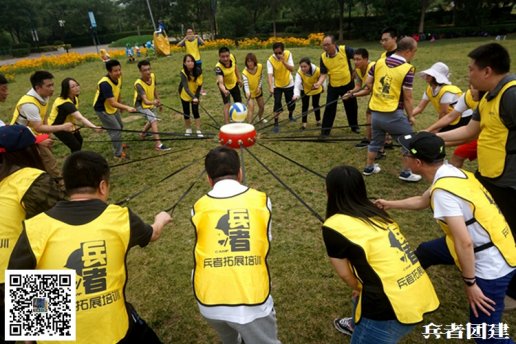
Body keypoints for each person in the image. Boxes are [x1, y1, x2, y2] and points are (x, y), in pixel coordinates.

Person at [8, 150, 171, 343]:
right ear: (103, 186)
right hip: (115, 333)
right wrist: (160, 219)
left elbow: (20, 280)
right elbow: (152, 234)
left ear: (66, 185)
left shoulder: (36, 227)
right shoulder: (120, 218)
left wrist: (33, 334)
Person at [375, 132, 515, 343]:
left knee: (485, 335)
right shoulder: (450, 172)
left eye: (406, 154)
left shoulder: (444, 193)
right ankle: (404, 289)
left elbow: (464, 242)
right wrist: (389, 204)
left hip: (491, 264)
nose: (403, 156)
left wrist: (470, 284)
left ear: (418, 162)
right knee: (427, 251)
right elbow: (422, 201)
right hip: (498, 244)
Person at [437, 43, 516, 310]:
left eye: (471, 69)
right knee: (492, 228)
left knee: (512, 233)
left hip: (511, 182)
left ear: (487, 70)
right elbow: (469, 132)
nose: (467, 74)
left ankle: (512, 292)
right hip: (490, 175)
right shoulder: (489, 96)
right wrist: (430, 139)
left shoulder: (512, 95)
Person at [323, 165, 439, 343]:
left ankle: (360, 325)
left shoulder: (333, 226)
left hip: (387, 309)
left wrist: (358, 287)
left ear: (329, 192)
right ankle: (356, 323)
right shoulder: (377, 211)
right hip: (418, 290)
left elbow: (345, 274)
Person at [191, 146, 280, 344]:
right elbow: (264, 243)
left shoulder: (198, 207)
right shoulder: (262, 201)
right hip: (252, 303)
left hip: (208, 301)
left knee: (228, 339)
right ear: (240, 173)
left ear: (208, 178)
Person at [0, 125, 63, 343]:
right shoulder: (32, 179)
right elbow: (55, 222)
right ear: (28, 152)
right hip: (19, 272)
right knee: (45, 335)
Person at [361, 37, 421, 182]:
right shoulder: (408, 69)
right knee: (409, 141)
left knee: (375, 141)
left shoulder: (378, 63)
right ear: (408, 51)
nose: (414, 54)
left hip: (375, 111)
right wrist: (411, 116)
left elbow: (368, 83)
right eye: (414, 51)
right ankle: (406, 172)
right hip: (393, 113)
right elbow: (408, 97)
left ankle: (369, 167)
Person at [10, 71, 73, 181]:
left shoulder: (44, 96)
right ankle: (61, 186)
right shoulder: (29, 104)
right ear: (38, 87)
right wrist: (62, 127)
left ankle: (52, 182)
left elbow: (43, 116)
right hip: (22, 138)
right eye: (48, 86)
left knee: (45, 162)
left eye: (52, 84)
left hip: (32, 134)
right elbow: (38, 127)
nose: (52, 88)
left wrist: (48, 134)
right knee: (49, 162)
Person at [313, 35, 359, 136]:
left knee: (351, 106)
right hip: (333, 86)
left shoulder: (344, 50)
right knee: (329, 107)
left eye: (327, 45)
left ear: (334, 44)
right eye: (323, 45)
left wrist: (356, 70)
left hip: (347, 84)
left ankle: (354, 126)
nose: (325, 47)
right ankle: (325, 132)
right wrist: (318, 83)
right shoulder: (323, 57)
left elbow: (358, 57)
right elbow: (323, 73)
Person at [425, 86, 482, 168]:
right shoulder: (468, 95)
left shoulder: (490, 104)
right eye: (468, 86)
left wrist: (434, 137)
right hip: (481, 136)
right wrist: (428, 130)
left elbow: (470, 135)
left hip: (495, 141)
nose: (469, 90)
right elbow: (450, 116)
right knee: (458, 154)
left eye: (473, 87)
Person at [93, 59, 137, 160]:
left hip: (112, 106)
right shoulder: (105, 84)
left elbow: (117, 91)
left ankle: (119, 144)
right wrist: (126, 107)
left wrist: (120, 104)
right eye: (115, 71)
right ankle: (118, 154)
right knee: (115, 129)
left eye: (119, 70)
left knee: (120, 126)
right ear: (109, 72)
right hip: (102, 109)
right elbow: (112, 102)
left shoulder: (119, 77)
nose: (118, 73)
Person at [47, 77, 100, 153]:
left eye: (77, 85)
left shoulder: (74, 97)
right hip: (57, 127)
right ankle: (75, 162)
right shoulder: (65, 103)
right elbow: (80, 118)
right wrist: (94, 127)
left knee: (79, 140)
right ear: (67, 89)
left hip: (68, 124)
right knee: (75, 145)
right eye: (73, 87)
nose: (77, 88)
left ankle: (76, 159)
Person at [412, 62, 465, 131]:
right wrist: (407, 117)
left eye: (429, 75)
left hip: (462, 120)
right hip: (450, 119)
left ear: (436, 77)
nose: (426, 76)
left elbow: (443, 113)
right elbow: (420, 107)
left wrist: (435, 130)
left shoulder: (447, 91)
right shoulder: (430, 89)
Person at [133, 60, 170, 151]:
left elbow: (154, 89)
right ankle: (158, 144)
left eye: (149, 69)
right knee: (153, 119)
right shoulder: (138, 84)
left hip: (150, 102)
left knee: (153, 118)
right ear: (140, 71)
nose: (148, 72)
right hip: (140, 105)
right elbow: (145, 101)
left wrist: (158, 101)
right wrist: (154, 102)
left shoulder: (152, 76)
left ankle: (142, 134)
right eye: (145, 70)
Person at [342, 48, 375, 148]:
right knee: (370, 114)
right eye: (354, 59)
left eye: (358, 59)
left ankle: (372, 139)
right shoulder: (357, 69)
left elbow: (368, 90)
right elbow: (358, 86)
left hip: (383, 95)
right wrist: (351, 92)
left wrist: (353, 95)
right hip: (375, 94)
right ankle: (370, 139)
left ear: (366, 59)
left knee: (373, 115)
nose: (355, 62)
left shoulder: (372, 67)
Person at [267, 42, 295, 133]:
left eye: (280, 52)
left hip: (289, 83)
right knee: (277, 104)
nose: (278, 55)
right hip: (277, 85)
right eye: (276, 53)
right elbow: (270, 75)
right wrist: (271, 87)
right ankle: (276, 124)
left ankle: (290, 115)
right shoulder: (270, 60)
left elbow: (291, 69)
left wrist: (283, 61)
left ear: (283, 51)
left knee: (291, 103)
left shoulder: (288, 54)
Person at [292, 57, 322, 130]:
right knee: (305, 106)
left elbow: (322, 78)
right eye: (301, 67)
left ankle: (318, 121)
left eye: (305, 66)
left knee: (315, 105)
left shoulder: (317, 70)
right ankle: (304, 123)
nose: (303, 68)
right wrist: (296, 95)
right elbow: (297, 84)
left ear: (309, 65)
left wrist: (322, 87)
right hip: (305, 89)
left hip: (316, 89)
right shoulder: (299, 72)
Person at [215, 47, 242, 124]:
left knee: (238, 102)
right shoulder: (218, 67)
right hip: (224, 85)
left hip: (234, 83)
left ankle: (239, 119)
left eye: (227, 56)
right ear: (219, 57)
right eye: (223, 57)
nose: (226, 58)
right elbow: (220, 83)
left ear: (230, 55)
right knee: (227, 104)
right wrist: (224, 90)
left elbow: (235, 68)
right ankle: (227, 124)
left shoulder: (232, 57)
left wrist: (239, 79)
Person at [179, 54, 203, 137]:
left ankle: (198, 130)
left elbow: (200, 85)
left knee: (195, 111)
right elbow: (186, 88)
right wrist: (193, 97)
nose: (190, 63)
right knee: (186, 112)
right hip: (185, 94)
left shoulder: (199, 71)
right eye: (188, 61)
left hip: (195, 93)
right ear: (184, 63)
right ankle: (188, 128)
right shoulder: (183, 73)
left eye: (192, 61)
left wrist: (196, 97)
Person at [242, 53, 266, 124]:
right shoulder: (244, 73)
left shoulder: (260, 67)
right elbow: (245, 85)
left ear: (254, 61)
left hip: (257, 89)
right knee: (251, 107)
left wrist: (259, 87)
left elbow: (261, 78)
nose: (250, 63)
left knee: (262, 106)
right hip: (249, 91)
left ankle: (260, 118)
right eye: (248, 61)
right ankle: (249, 124)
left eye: (251, 61)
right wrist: (247, 93)